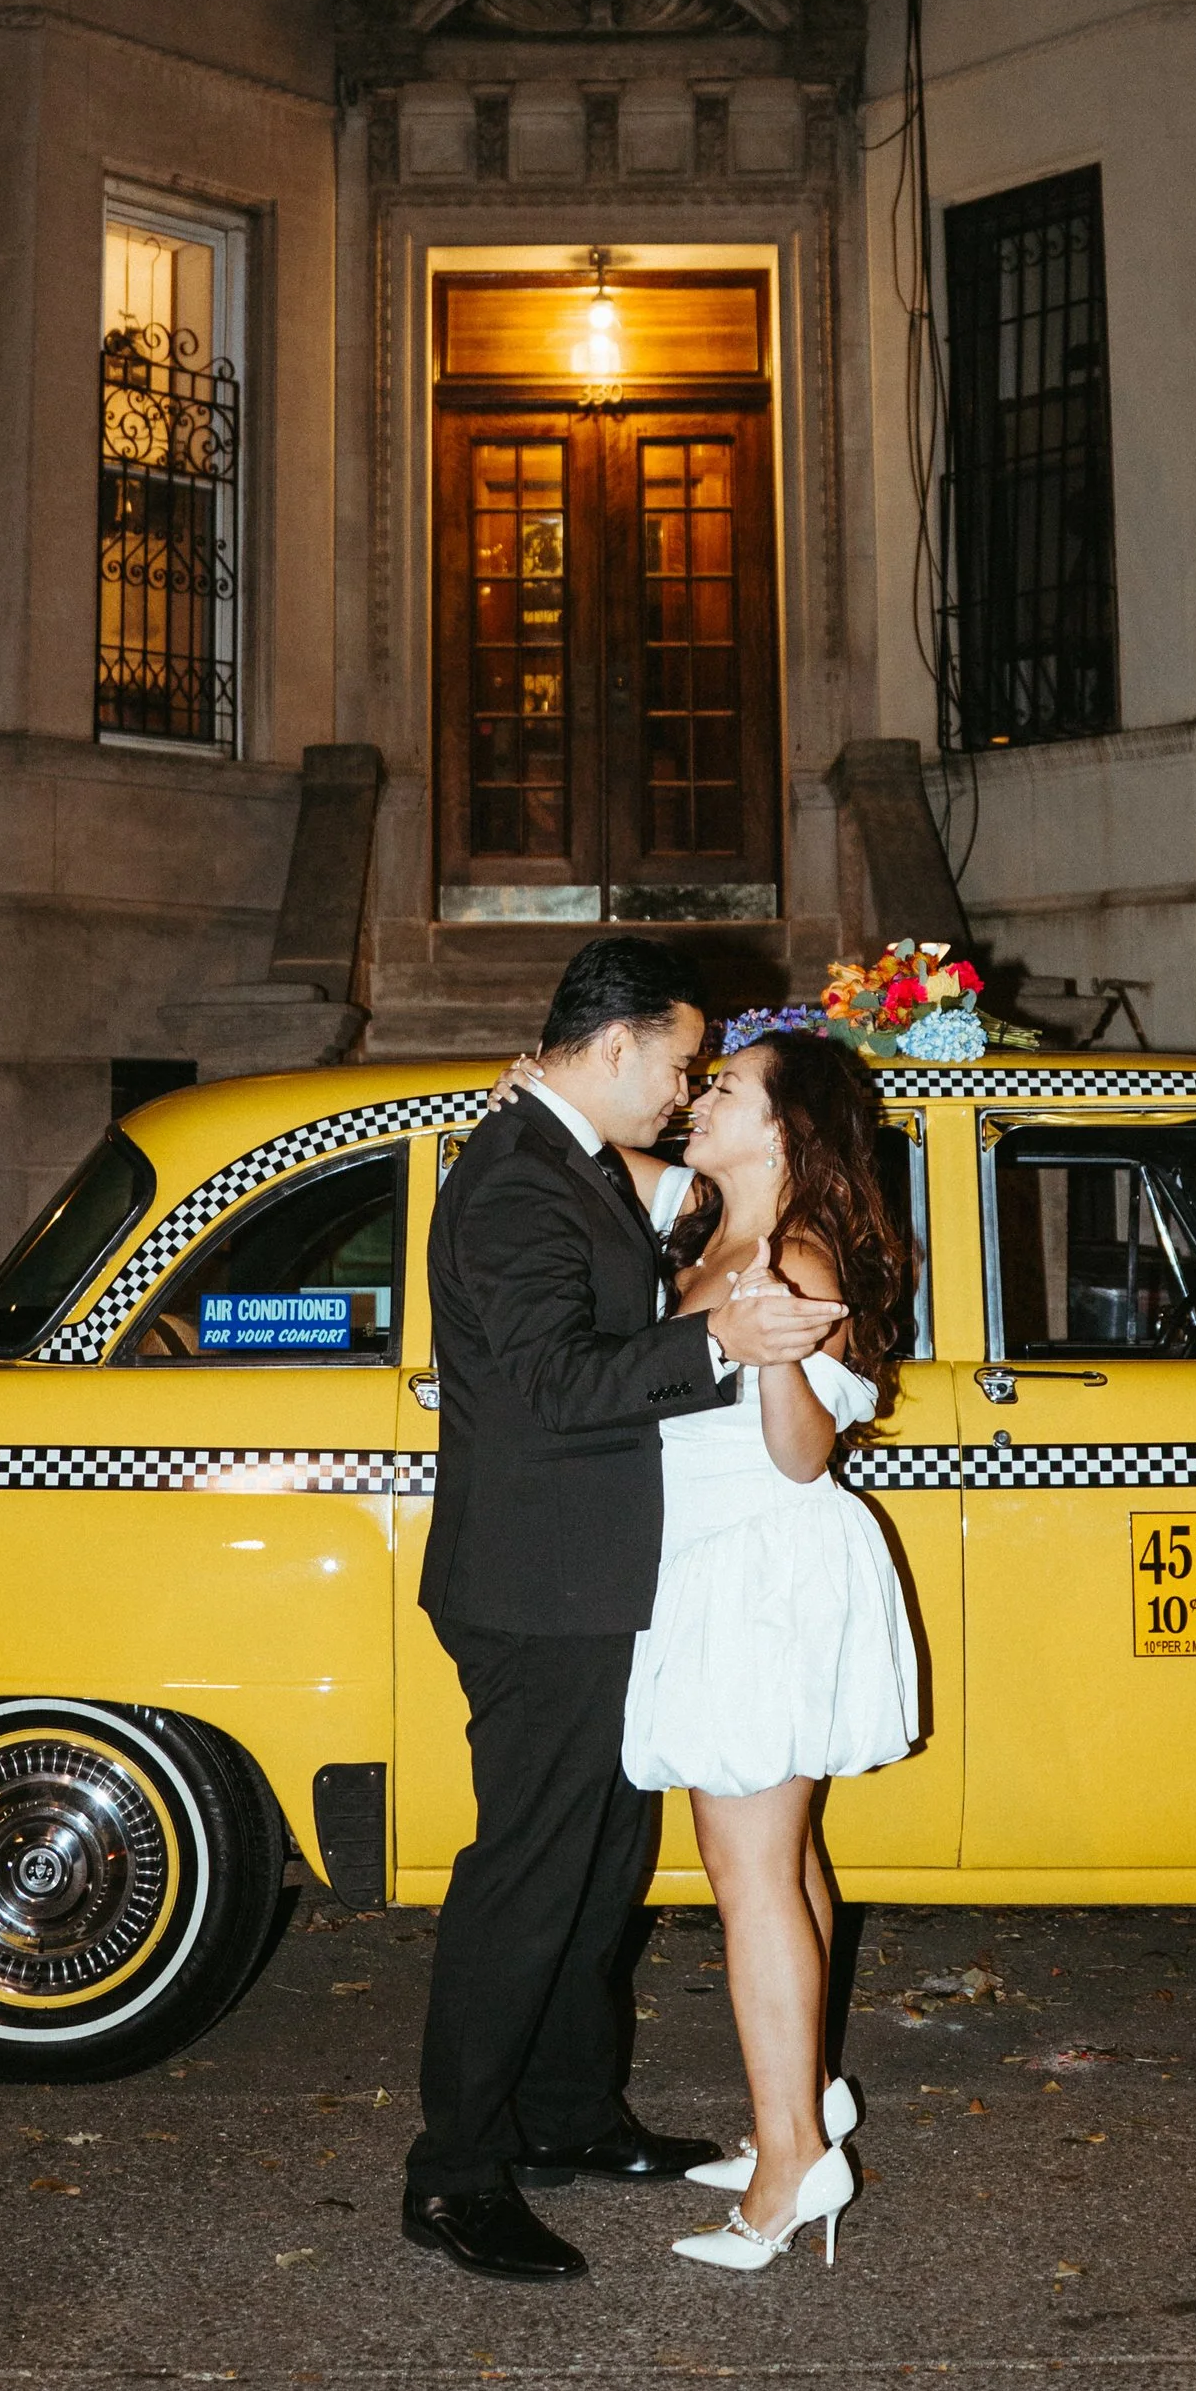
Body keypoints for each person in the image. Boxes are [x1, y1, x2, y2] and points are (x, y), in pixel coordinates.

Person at [403, 937, 847, 2285]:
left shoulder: (567, 1161)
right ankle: (456, 2174)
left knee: (601, 1871)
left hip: (595, 1581)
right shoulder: (518, 1182)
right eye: (673, 1058)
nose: (682, 1084)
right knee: (528, 1878)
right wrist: (723, 1342)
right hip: (538, 1589)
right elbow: (549, 1380)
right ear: (611, 1048)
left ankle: (568, 2115)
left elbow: (675, 1213)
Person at [628, 1027, 920, 2276]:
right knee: (780, 1865)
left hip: (760, 1570)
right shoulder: (719, 1236)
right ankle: (797, 2115)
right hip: (724, 1567)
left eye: (727, 1088)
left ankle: (792, 2162)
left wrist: (775, 1350)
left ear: (785, 1126)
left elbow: (799, 1452)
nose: (701, 1101)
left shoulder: (788, 1252)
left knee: (749, 1885)